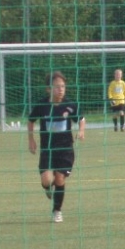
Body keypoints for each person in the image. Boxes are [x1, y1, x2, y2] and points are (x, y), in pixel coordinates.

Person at [27, 71, 85, 223]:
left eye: (63, 87)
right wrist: (31, 140)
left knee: (59, 179)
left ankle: (57, 210)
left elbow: (81, 119)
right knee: (46, 180)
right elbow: (31, 120)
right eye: (57, 87)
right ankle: (48, 188)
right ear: (48, 89)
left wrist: (81, 130)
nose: (61, 90)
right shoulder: (42, 105)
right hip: (47, 150)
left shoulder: (70, 105)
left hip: (65, 150)